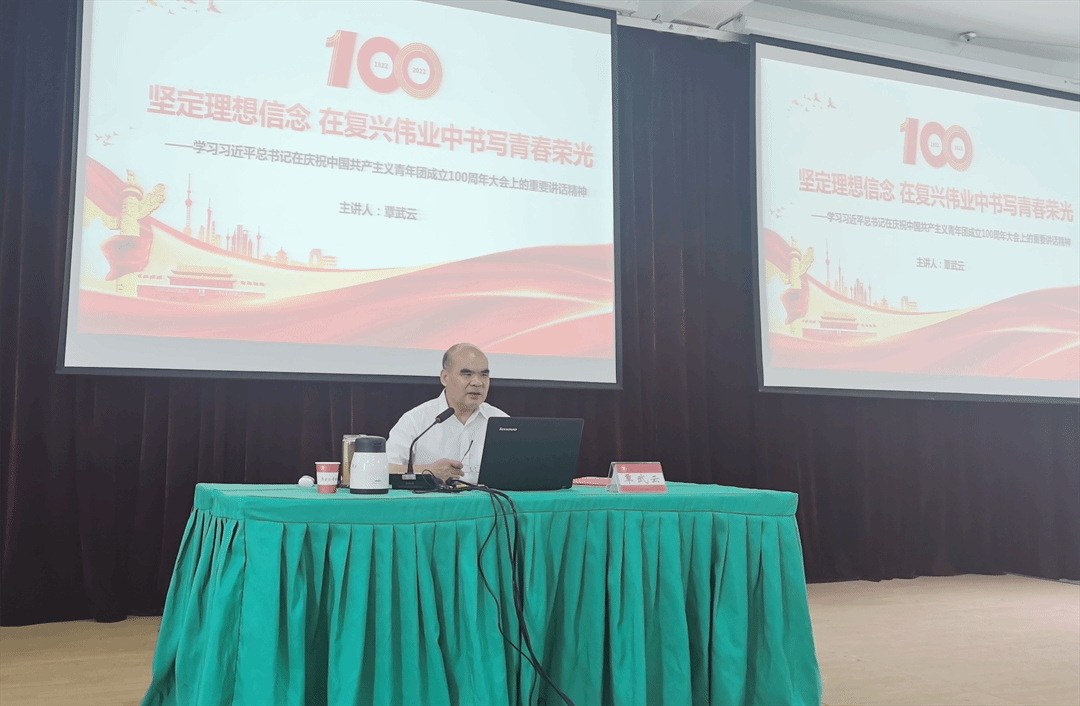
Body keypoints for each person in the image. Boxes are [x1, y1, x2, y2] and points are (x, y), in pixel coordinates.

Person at [387, 343, 508, 484]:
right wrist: (428, 471)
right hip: (433, 499)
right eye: (467, 374)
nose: (477, 382)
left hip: (489, 499)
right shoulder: (416, 420)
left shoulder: (503, 422)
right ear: (445, 378)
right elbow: (384, 468)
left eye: (484, 375)